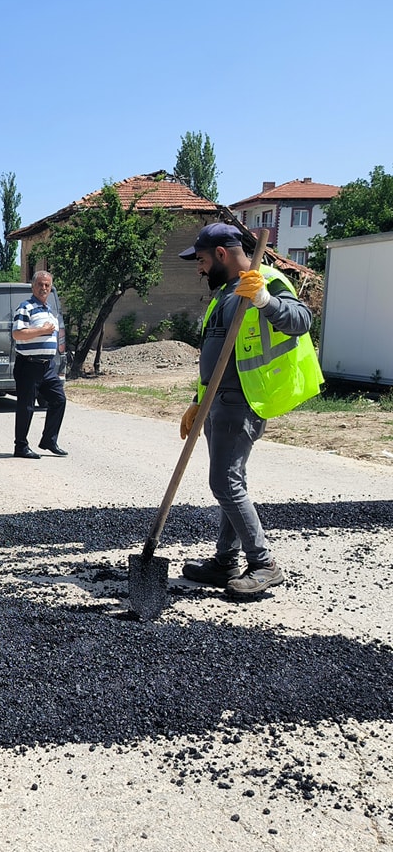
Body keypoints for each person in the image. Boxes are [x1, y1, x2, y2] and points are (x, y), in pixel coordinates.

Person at [178, 223, 323, 597]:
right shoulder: (223, 293)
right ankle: (225, 561)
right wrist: (198, 401)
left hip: (244, 399)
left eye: (203, 260)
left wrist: (264, 300)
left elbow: (301, 320)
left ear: (222, 255)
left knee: (224, 482)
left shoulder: (266, 280)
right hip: (216, 401)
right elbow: (214, 352)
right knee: (232, 481)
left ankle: (263, 564)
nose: (199, 268)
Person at [11, 270, 67, 458]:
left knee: (59, 400)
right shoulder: (25, 307)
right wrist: (40, 331)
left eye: (47, 285)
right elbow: (17, 334)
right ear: (33, 286)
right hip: (28, 365)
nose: (44, 288)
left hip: (48, 366)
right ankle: (20, 447)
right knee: (26, 407)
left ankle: (49, 440)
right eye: (40, 284)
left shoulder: (50, 310)